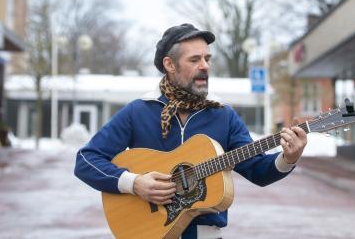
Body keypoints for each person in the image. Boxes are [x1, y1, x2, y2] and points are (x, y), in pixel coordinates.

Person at [74, 23, 307, 239]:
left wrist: (289, 157)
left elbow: (258, 171)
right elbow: (86, 160)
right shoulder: (139, 111)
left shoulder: (223, 115)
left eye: (207, 58)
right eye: (195, 59)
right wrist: (134, 183)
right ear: (170, 64)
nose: (205, 66)